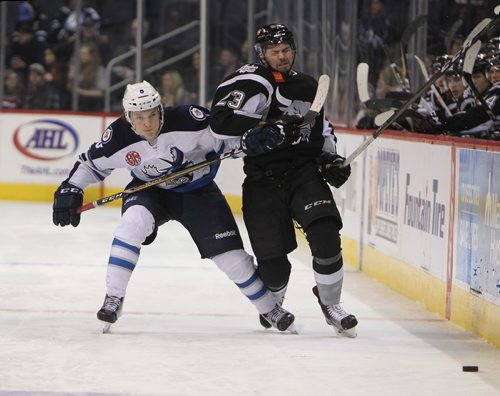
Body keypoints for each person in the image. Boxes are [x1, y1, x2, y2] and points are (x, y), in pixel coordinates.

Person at [52, 80, 295, 333]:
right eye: (139, 117)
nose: (147, 124)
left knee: (230, 257)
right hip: (150, 191)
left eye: (152, 115)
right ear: (128, 117)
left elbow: (226, 141)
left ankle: (270, 309)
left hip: (199, 192)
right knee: (132, 223)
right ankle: (114, 297)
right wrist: (72, 188)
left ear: (161, 110)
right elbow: (91, 164)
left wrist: (247, 142)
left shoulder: (190, 120)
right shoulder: (119, 136)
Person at [209, 24, 358, 337]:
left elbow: (322, 130)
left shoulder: (305, 85)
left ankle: (331, 304)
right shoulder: (251, 81)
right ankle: (273, 302)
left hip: (302, 171)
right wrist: (260, 129)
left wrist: (330, 158)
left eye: (286, 50)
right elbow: (221, 125)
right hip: (261, 179)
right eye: (274, 52)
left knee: (325, 233)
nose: (281, 56)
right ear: (263, 54)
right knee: (274, 264)